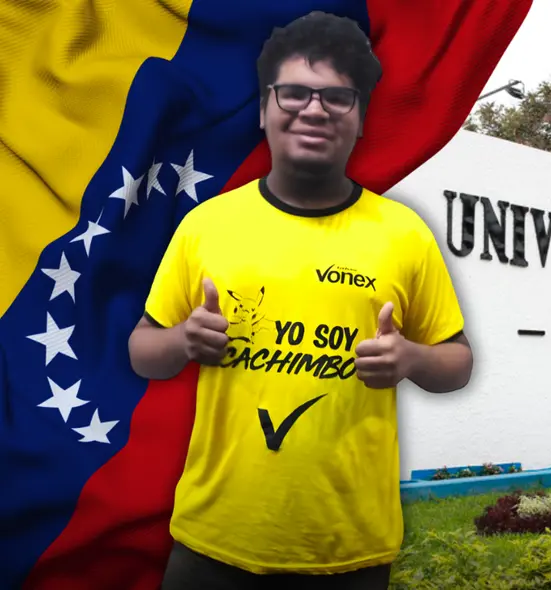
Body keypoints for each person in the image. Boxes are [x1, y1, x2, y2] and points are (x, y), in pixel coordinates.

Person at [128, 12, 473, 590]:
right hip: (211, 545)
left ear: (360, 119)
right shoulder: (206, 224)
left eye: (339, 97)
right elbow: (143, 348)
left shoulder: (404, 232)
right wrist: (184, 340)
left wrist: (411, 360)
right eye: (293, 93)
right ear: (264, 109)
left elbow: (457, 361)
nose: (314, 110)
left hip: (349, 555)